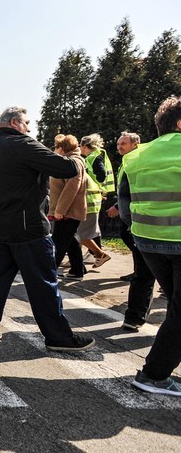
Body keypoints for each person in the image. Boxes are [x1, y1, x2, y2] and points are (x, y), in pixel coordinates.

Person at [0, 106, 95, 352]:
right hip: (29, 231)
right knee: (43, 286)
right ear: (15, 122)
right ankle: (58, 336)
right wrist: (78, 156)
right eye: (27, 123)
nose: (30, 128)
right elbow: (67, 169)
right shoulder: (24, 144)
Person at [121, 96, 181, 396]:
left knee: (176, 308)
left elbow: (124, 202)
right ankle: (154, 374)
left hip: (148, 242)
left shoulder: (136, 156)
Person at [107, 132, 156, 330]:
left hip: (144, 228)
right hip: (168, 230)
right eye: (118, 144)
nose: (119, 147)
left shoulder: (132, 163)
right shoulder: (150, 158)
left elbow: (125, 197)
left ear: (136, 144)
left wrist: (131, 224)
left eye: (123, 143)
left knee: (143, 274)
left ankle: (134, 318)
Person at [48, 134, 87, 281]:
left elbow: (72, 187)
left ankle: (49, 272)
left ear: (62, 148)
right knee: (70, 241)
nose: (55, 150)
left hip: (68, 211)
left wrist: (60, 210)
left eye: (56, 147)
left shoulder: (73, 162)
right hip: (68, 210)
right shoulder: (72, 161)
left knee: (58, 242)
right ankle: (77, 270)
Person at [78, 134, 112, 268]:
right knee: (90, 230)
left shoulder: (92, 158)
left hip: (91, 197)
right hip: (94, 197)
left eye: (81, 146)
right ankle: (92, 254)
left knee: (83, 232)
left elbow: (101, 174)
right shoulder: (97, 155)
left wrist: (97, 187)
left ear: (85, 146)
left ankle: (97, 254)